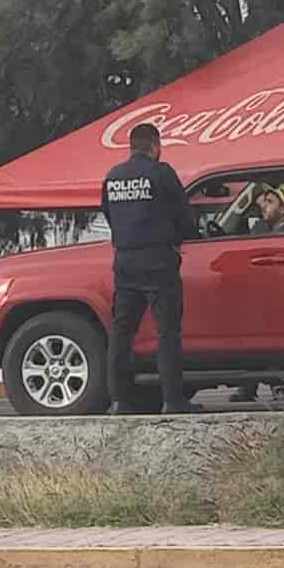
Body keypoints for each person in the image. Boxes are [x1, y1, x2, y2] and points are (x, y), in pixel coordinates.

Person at [101, 123, 200, 415]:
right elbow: (185, 217)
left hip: (125, 261)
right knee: (167, 332)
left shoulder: (113, 177)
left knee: (121, 333)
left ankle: (119, 401)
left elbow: (109, 214)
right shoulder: (162, 173)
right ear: (155, 146)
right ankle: (172, 401)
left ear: (131, 146)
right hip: (158, 260)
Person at [232, 181, 284, 404]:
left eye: (270, 202)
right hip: (260, 296)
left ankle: (278, 388)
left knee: (269, 339)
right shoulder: (262, 229)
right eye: (263, 202)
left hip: (282, 297)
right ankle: (249, 385)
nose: (263, 206)